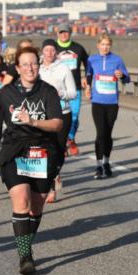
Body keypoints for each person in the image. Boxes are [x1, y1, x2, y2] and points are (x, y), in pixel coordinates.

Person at [0, 46, 64, 275]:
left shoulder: (48, 92)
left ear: (39, 65)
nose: (30, 68)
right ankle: (25, 256)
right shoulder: (6, 92)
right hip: (15, 151)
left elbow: (57, 124)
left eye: (34, 63)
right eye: (25, 64)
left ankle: (25, 242)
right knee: (21, 199)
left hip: (43, 152)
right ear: (17, 68)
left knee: (36, 206)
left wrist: (32, 121)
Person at [85, 33, 130, 179]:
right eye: (103, 44)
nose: (105, 47)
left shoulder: (117, 60)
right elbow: (88, 74)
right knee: (100, 133)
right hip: (97, 101)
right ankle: (98, 165)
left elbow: (127, 79)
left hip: (112, 103)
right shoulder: (92, 59)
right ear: (98, 45)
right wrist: (87, 87)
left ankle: (106, 162)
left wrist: (121, 76)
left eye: (107, 45)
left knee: (108, 134)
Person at [40, 40, 77, 203]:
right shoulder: (37, 68)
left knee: (59, 150)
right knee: (46, 150)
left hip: (63, 113)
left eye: (52, 50)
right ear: (42, 52)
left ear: (56, 52)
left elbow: (73, 93)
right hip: (44, 114)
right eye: (46, 50)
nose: (49, 53)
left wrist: (60, 92)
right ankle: (50, 186)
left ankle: (55, 173)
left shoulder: (63, 68)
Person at [52, 23, 89, 156]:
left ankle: (70, 138)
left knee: (74, 116)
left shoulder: (78, 48)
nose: (63, 34)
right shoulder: (52, 48)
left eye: (66, 32)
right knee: (60, 116)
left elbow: (88, 63)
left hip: (75, 87)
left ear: (70, 33)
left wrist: (86, 77)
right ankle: (61, 143)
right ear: (57, 33)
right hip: (56, 89)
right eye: (61, 32)